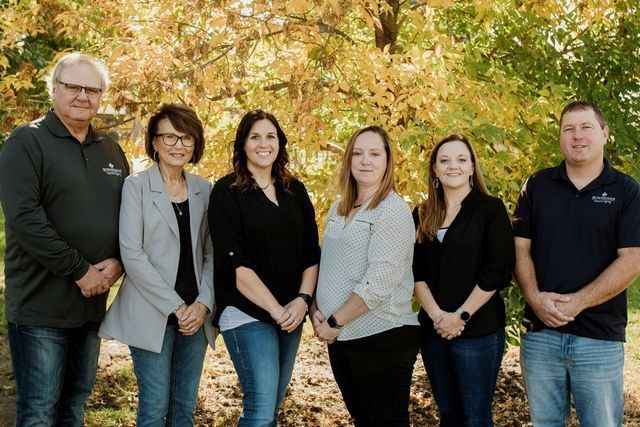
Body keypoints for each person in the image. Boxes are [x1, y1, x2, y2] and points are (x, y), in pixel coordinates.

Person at [0, 52, 129, 426]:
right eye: (73, 86)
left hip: (90, 309)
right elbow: (25, 220)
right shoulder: (26, 142)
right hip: (41, 308)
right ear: (54, 90)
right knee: (39, 411)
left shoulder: (110, 149)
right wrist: (79, 270)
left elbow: (127, 217)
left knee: (74, 407)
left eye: (93, 89)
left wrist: (118, 262)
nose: (83, 96)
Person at [514, 101, 640, 426]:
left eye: (586, 127)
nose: (577, 136)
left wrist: (578, 303)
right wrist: (535, 298)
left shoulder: (626, 191)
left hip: (599, 337)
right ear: (560, 137)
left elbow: (632, 259)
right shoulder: (537, 185)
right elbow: (519, 249)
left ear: (605, 134)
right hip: (540, 334)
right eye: (568, 129)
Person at [99, 103, 215, 425]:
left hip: (196, 315)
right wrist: (177, 307)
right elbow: (132, 255)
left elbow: (212, 254)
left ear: (195, 144)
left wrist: (203, 304)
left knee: (184, 409)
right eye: (170, 137)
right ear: (154, 142)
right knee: (153, 407)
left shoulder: (204, 190)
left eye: (186, 138)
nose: (178, 146)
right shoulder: (135, 187)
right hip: (153, 312)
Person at [208, 109, 320, 427]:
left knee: (271, 407)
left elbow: (311, 254)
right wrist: (275, 308)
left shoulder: (294, 191)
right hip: (246, 311)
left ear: (280, 144)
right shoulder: (226, 192)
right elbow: (234, 263)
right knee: (259, 408)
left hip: (291, 313)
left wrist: (301, 300)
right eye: (254, 136)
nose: (263, 143)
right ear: (242, 144)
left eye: (271, 136)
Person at [313, 125, 420, 427]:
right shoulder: (339, 207)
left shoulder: (392, 210)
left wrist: (334, 322)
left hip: (382, 337)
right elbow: (328, 264)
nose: (365, 161)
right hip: (342, 337)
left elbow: (380, 282)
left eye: (374, 153)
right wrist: (317, 314)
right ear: (348, 160)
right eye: (358, 153)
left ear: (387, 161)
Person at [412, 134, 515, 426]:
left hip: (478, 330)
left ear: (472, 167)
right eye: (444, 160)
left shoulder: (490, 209)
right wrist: (437, 317)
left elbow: (498, 269)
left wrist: (461, 316)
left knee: (475, 417)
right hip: (434, 330)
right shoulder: (422, 213)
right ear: (434, 168)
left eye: (460, 159)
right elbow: (413, 270)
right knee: (448, 415)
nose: (452, 166)